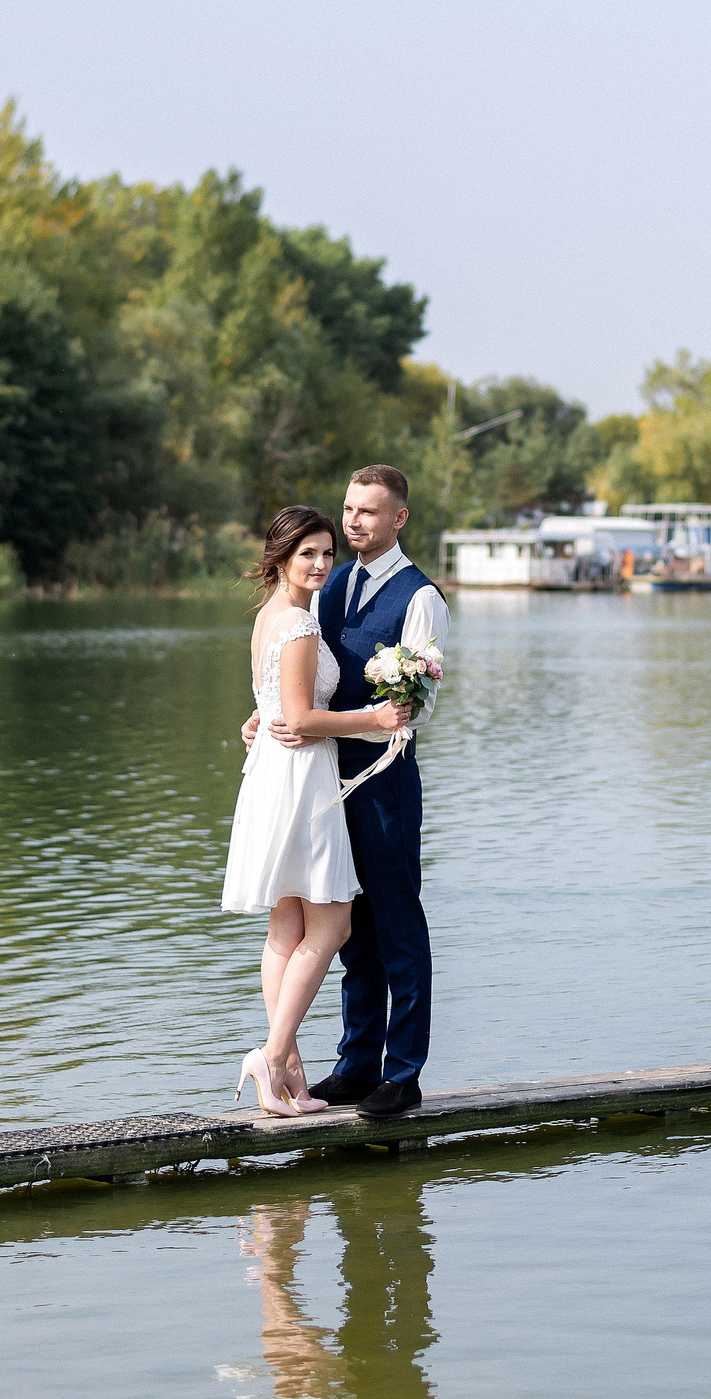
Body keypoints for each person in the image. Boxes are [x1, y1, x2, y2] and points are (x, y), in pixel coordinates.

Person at [245, 465, 448, 1119]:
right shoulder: (326, 588)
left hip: (384, 781)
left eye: (369, 510)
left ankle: (403, 1071)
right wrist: (263, 713)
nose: (355, 519)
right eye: (349, 508)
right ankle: (357, 1063)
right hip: (319, 782)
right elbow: (302, 676)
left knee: (396, 923)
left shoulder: (421, 597)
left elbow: (416, 704)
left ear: (399, 519)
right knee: (348, 931)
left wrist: (379, 712)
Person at [224, 505, 407, 1116]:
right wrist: (376, 719)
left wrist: (258, 720)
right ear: (281, 557)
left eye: (329, 553)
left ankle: (287, 1066)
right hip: (302, 779)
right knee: (333, 927)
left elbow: (274, 702)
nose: (323, 565)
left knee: (287, 928)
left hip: (276, 775)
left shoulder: (269, 618)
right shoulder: (299, 626)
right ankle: (274, 1056)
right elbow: (300, 718)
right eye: (310, 554)